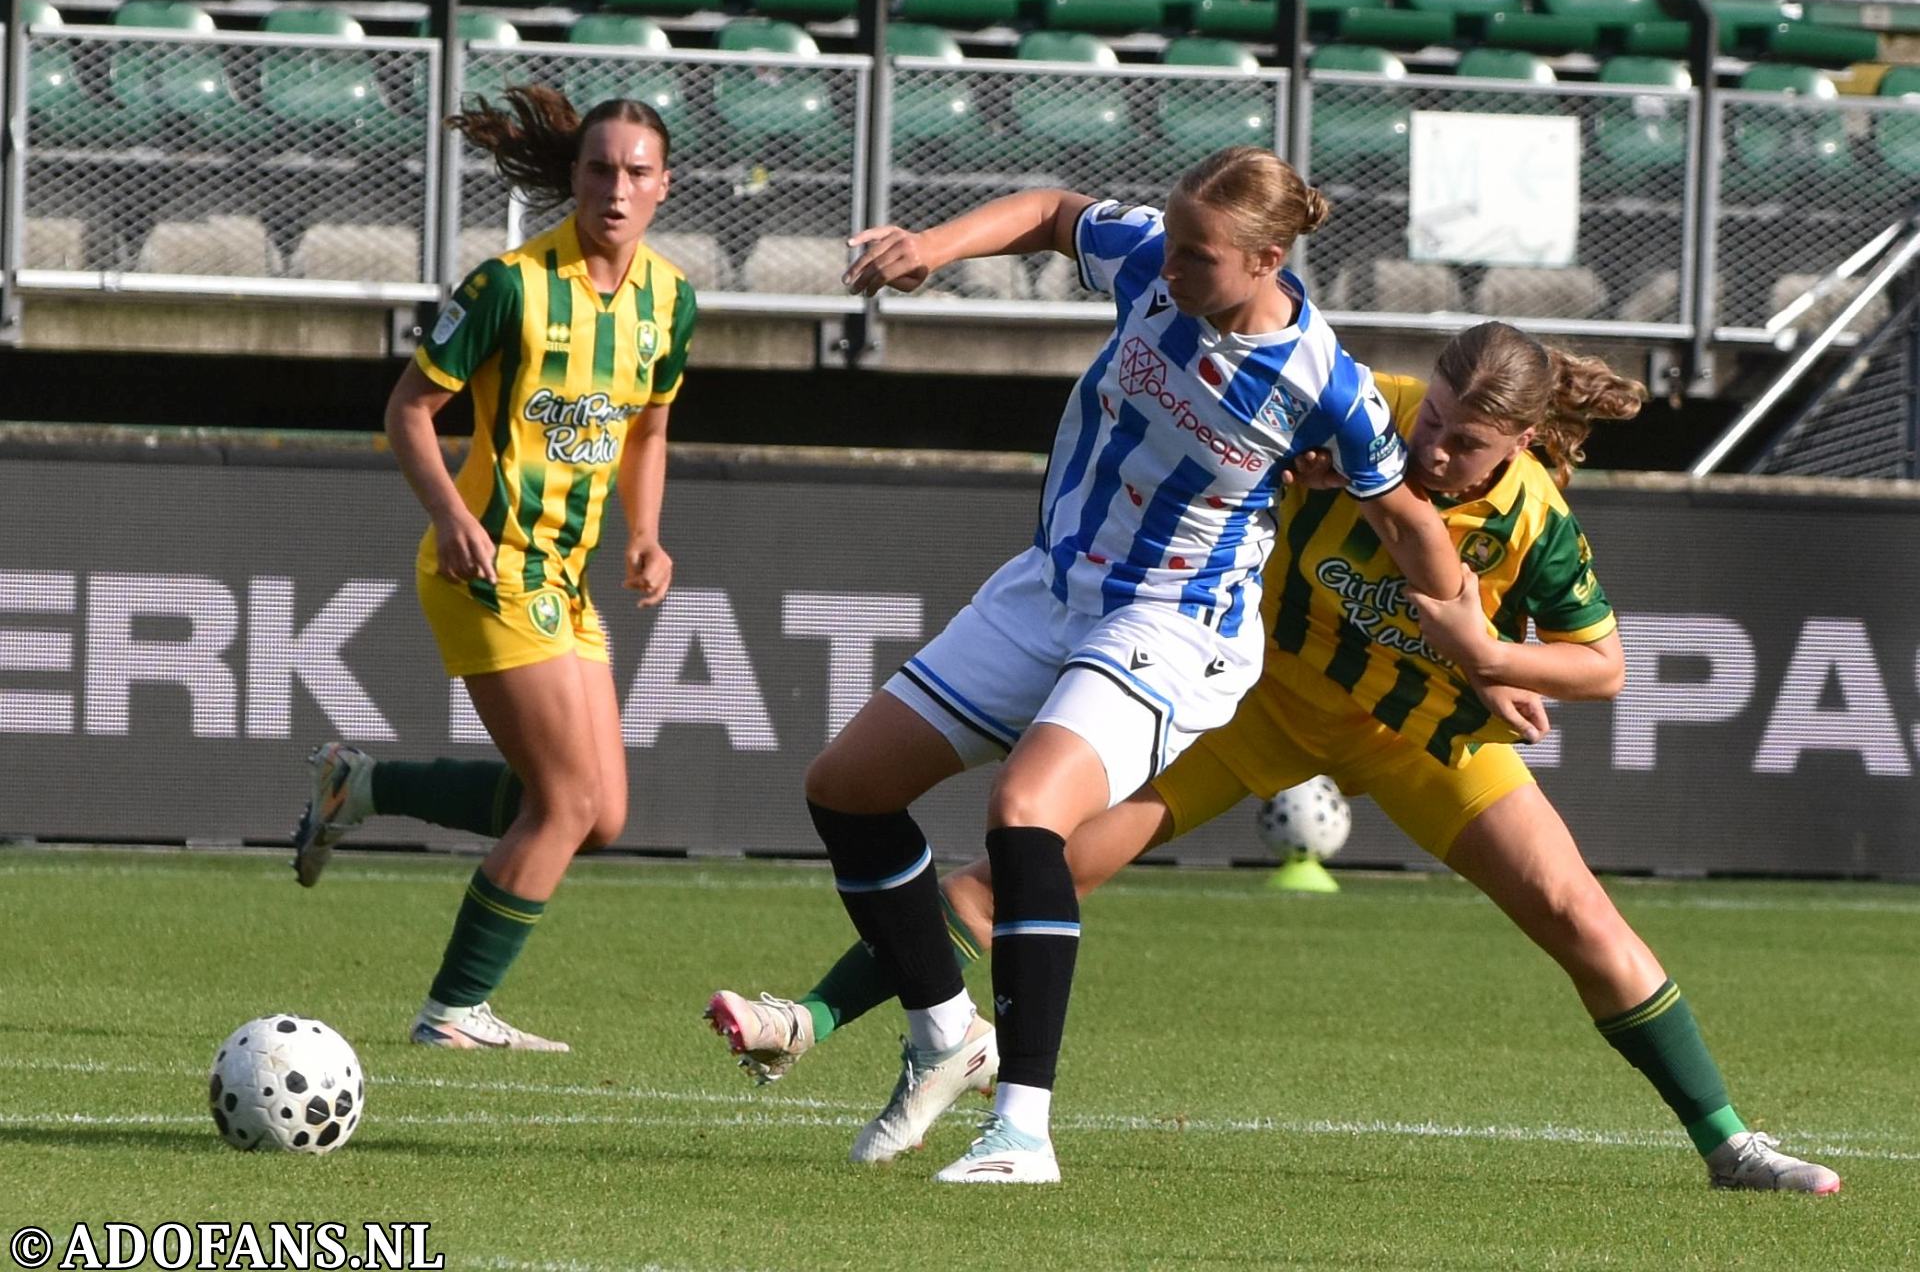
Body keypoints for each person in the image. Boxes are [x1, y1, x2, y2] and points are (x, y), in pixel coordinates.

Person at [706, 321, 1842, 1195]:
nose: (1433, 448)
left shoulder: (1536, 518)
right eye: (1434, 415)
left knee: (1575, 909)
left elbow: (1603, 666)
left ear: (1527, 445)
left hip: (1411, 729)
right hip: (1250, 698)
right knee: (1015, 865)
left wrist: (1497, 658)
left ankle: (1731, 1142)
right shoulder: (1363, 412)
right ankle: (809, 1019)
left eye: (1467, 441)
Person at [715, 147, 1472, 1185]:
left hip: (1173, 624)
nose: (1175, 267)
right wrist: (925, 248)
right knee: (845, 789)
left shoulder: (1323, 384)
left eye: (1201, 256)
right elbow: (1050, 209)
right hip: (1055, 585)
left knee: (1027, 811)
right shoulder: (1152, 259)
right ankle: (945, 1031)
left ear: (1267, 258)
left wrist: (1472, 635)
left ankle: (1022, 1127)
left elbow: (1404, 522)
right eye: (1174, 240)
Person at [289, 85, 696, 1052]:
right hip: (486, 564)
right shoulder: (509, 287)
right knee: (567, 803)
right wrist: (448, 513)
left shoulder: (671, 301)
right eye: (599, 168)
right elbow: (406, 411)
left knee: (600, 818)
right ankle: (452, 1012)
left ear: (664, 187)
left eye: (636, 172)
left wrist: (647, 535)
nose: (615, 187)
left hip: (566, 576)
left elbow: (650, 427)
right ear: (575, 177)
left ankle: (362, 788)